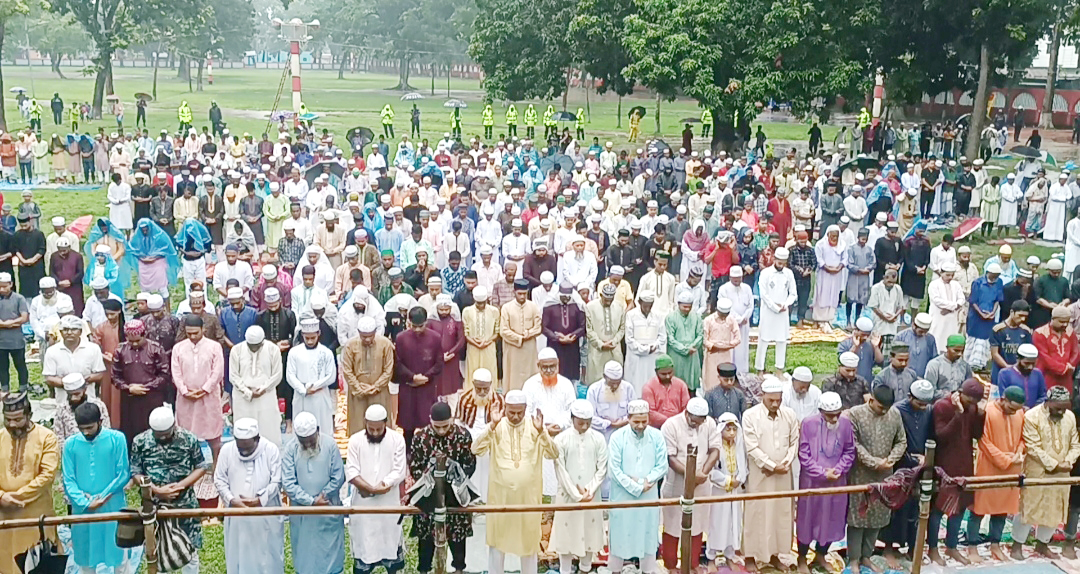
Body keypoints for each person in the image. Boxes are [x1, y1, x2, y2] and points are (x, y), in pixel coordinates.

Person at [472, 389, 558, 574]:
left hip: (528, 499)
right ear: (505, 408)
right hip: (500, 498)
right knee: (497, 543)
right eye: (512, 412)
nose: (516, 416)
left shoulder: (535, 427)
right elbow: (476, 449)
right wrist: (492, 426)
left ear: (526, 409)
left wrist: (542, 432)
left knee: (528, 543)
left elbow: (554, 453)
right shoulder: (497, 426)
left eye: (520, 412)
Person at [1012, 387, 1080, 559]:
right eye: (1058, 407)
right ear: (1047, 402)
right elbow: (1033, 447)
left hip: (1063, 471)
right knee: (1029, 507)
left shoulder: (1069, 416)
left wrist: (1068, 462)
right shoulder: (1032, 417)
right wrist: (1055, 465)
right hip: (1038, 470)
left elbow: (1075, 444)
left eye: (1064, 408)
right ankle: (1017, 545)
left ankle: (1042, 545)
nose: (1061, 411)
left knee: (1055, 509)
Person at [62, 402, 130, 574]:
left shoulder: (117, 439)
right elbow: (68, 479)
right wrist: (84, 502)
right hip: (83, 509)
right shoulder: (70, 445)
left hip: (112, 504)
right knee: (85, 556)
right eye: (81, 428)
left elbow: (123, 473)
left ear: (100, 421)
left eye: (90, 427)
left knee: (118, 553)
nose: (86, 432)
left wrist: (103, 496)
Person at [409, 402, 476, 574]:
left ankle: (458, 569)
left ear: (452, 420)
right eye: (437, 427)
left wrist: (454, 480)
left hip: (454, 494)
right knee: (426, 540)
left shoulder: (462, 436)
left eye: (445, 426)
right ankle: (424, 570)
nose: (441, 431)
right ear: (430, 421)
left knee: (458, 538)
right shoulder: (421, 437)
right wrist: (430, 479)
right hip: (429, 494)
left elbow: (470, 464)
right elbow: (415, 466)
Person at [741, 376, 799, 573]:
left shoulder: (789, 415)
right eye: (770, 400)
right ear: (762, 396)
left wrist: (785, 463)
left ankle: (774, 555)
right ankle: (750, 556)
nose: (775, 404)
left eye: (778, 400)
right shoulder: (750, 416)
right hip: (760, 474)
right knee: (756, 513)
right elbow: (752, 447)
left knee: (780, 514)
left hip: (783, 474)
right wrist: (771, 465)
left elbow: (793, 442)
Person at [215, 418, 285, 574]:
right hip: (237, 516)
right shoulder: (227, 450)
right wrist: (232, 500)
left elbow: (277, 480)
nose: (244, 452)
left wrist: (259, 500)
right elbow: (219, 479)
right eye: (241, 448)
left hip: (265, 515)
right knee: (239, 556)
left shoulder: (270, 450)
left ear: (257, 439)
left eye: (248, 448)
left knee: (268, 559)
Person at [795, 391, 855, 574]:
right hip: (812, 482)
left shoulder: (845, 424)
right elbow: (803, 454)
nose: (835, 418)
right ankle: (802, 558)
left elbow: (849, 450)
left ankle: (821, 555)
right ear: (821, 411)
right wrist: (821, 472)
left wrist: (837, 470)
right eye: (830, 415)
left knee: (832, 518)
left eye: (838, 413)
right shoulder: (808, 423)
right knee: (808, 519)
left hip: (836, 481)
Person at [928, 379, 985, 565]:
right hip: (944, 465)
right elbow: (941, 436)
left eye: (975, 402)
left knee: (959, 509)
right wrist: (959, 414)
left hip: (965, 465)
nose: (971, 405)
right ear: (960, 393)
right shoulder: (942, 406)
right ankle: (933, 548)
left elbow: (976, 435)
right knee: (938, 509)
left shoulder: (973, 408)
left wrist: (980, 415)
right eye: (969, 400)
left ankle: (951, 547)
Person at [0, 392, 59, 574]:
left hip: (35, 513)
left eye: (17, 419)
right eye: (8, 420)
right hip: (4, 516)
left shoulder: (47, 438)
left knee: (35, 564)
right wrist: (2, 497)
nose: (12, 424)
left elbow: (47, 475)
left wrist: (16, 497)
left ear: (29, 415)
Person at [607, 399, 668, 574]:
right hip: (622, 496)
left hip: (648, 495)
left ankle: (647, 570)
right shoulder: (618, 437)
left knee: (647, 534)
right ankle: (616, 571)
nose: (640, 425)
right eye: (636, 421)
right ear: (628, 418)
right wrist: (635, 487)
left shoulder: (656, 436)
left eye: (644, 421)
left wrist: (644, 482)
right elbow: (614, 470)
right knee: (620, 535)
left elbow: (662, 465)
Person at [660, 397, 720, 573]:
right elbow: (670, 457)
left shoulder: (709, 424)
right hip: (676, 484)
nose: (696, 424)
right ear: (686, 413)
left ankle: (693, 564)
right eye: (693, 421)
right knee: (672, 526)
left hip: (701, 483)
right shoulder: (671, 425)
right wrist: (690, 475)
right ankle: (671, 566)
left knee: (697, 525)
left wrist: (703, 473)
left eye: (699, 422)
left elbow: (715, 449)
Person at [345, 404, 407, 574]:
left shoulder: (397, 440)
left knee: (390, 544)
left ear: (386, 424)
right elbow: (351, 470)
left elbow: (399, 470)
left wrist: (382, 487)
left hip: (389, 503)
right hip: (363, 504)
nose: (374, 433)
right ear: (365, 423)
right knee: (365, 545)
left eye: (379, 429)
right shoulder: (355, 440)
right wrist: (366, 487)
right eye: (371, 429)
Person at [282, 412, 346, 574]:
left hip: (328, 507)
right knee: (305, 555)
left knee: (330, 553)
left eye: (311, 440)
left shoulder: (330, 445)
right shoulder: (290, 450)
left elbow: (338, 476)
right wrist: (310, 502)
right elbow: (288, 483)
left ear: (317, 430)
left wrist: (323, 495)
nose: (309, 444)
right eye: (304, 442)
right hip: (302, 513)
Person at [550, 400, 608, 574]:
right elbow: (560, 469)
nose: (584, 426)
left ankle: (585, 569)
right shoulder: (561, 439)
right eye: (580, 422)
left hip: (591, 496)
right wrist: (576, 494)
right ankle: (565, 570)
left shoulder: (598, 438)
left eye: (588, 423)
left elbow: (602, 468)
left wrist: (589, 491)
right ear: (572, 419)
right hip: (567, 497)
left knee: (589, 534)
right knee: (566, 537)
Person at [968, 386, 1026, 563]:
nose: (1014, 412)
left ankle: (995, 545)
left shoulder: (1019, 414)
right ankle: (972, 547)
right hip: (989, 467)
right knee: (979, 508)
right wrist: (1004, 459)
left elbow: (1023, 438)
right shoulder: (987, 412)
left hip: (1012, 468)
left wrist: (1018, 454)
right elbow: (983, 441)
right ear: (1003, 399)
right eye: (1011, 408)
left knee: (1002, 509)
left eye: (1017, 409)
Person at [173, 314, 225, 461]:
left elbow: (218, 371)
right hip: (186, 398)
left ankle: (217, 466)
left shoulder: (214, 347)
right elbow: (176, 373)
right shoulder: (178, 348)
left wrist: (204, 389)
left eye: (196, 333)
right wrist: (184, 391)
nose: (192, 336)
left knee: (213, 435)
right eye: (189, 333)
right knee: (185, 434)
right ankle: (189, 467)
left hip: (208, 397)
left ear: (203, 329)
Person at [110, 319, 169, 444]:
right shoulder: (120, 350)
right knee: (130, 433)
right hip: (129, 399)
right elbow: (115, 377)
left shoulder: (156, 349)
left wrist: (146, 387)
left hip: (152, 398)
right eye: (131, 341)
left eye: (138, 340)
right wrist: (129, 388)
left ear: (144, 335)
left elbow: (165, 375)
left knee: (153, 429)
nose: (135, 344)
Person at [704, 411, 747, 570]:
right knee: (716, 523)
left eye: (734, 429)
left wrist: (739, 479)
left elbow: (743, 466)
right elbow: (711, 470)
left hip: (735, 492)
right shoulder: (715, 447)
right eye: (728, 429)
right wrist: (728, 481)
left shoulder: (738, 445)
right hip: (718, 490)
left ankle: (729, 555)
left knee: (733, 523)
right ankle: (711, 557)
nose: (731, 433)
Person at [394, 307, 444, 441]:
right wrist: (412, 377)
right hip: (408, 386)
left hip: (427, 386)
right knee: (407, 425)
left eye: (420, 326)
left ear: (426, 322)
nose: (417, 330)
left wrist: (426, 377)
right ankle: (408, 455)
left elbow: (439, 362)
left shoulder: (435, 337)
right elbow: (397, 363)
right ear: (409, 323)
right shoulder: (401, 338)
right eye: (414, 326)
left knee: (427, 422)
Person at [229, 325, 284, 447]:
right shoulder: (236, 350)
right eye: (251, 346)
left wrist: (263, 389)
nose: (254, 348)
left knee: (268, 431)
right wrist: (247, 391)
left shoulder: (273, 349)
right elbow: (233, 376)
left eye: (257, 346)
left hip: (266, 396)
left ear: (262, 341)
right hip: (242, 397)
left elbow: (277, 374)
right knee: (244, 431)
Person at [341, 316, 395, 434]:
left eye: (370, 336)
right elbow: (347, 370)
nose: (367, 339)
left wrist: (375, 387)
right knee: (358, 428)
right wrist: (359, 387)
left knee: (381, 425)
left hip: (379, 392)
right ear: (359, 333)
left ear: (375, 332)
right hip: (358, 393)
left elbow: (388, 370)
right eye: (364, 336)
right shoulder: (350, 345)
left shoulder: (385, 344)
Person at [287, 318, 338, 435]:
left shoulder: (326, 353)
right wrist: (303, 389)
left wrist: (314, 386)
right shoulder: (294, 352)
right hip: (301, 396)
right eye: (307, 338)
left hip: (320, 395)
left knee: (322, 429)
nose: (310, 341)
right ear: (302, 335)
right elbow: (290, 375)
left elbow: (331, 376)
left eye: (313, 338)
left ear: (318, 334)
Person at [756, 247, 796, 374]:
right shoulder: (766, 273)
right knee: (764, 340)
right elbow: (763, 294)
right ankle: (760, 369)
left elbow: (793, 294)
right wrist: (775, 307)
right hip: (768, 311)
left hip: (783, 312)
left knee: (781, 340)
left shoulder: (789, 273)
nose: (781, 264)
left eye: (783, 262)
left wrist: (785, 304)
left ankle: (779, 369)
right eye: (779, 261)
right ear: (774, 259)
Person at [502, 278, 543, 390]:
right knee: (513, 377)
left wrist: (529, 334)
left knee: (530, 375)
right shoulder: (506, 308)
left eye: (524, 294)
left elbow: (538, 327)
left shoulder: (533, 307)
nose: (522, 297)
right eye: (519, 294)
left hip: (529, 348)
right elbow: (504, 331)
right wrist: (519, 338)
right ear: (514, 292)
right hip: (513, 348)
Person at [624, 291, 667, 394]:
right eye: (645, 306)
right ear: (639, 302)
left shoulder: (658, 315)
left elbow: (662, 336)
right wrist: (645, 349)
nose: (647, 309)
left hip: (652, 356)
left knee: (651, 385)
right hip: (636, 357)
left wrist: (653, 346)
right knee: (635, 386)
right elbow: (629, 339)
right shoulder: (631, 315)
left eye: (650, 306)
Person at [542, 284, 586, 381]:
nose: (566, 299)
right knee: (555, 371)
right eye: (563, 297)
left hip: (572, 346)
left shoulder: (578, 306)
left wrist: (572, 336)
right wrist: (557, 337)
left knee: (571, 373)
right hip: (555, 345)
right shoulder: (549, 306)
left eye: (568, 297)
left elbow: (583, 327)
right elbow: (544, 327)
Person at [1033, 305, 1080, 394]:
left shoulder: (1070, 332)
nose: (1065, 324)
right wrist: (1062, 368)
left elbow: (1076, 351)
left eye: (1067, 322)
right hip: (1047, 374)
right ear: (1053, 319)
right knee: (1047, 400)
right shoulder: (1040, 333)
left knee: (1066, 401)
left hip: (1067, 375)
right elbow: (1044, 356)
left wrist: (1070, 365)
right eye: (1061, 322)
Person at [462, 286, 500, 391]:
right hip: (473, 347)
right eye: (478, 303)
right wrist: (474, 342)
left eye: (483, 302)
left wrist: (487, 341)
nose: (481, 305)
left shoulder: (494, 311)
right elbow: (466, 332)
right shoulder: (467, 311)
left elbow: (497, 331)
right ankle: (470, 396)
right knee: (473, 371)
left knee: (490, 370)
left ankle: (491, 395)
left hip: (489, 346)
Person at [717, 266, 753, 374]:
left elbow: (750, 305)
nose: (737, 281)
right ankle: (730, 371)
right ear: (730, 277)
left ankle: (742, 372)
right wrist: (738, 319)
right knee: (731, 348)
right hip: (730, 323)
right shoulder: (724, 289)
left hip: (744, 323)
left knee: (743, 348)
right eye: (735, 278)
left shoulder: (747, 288)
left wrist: (745, 317)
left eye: (739, 278)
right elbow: (725, 307)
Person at [665, 290, 703, 393]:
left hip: (692, 354)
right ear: (678, 304)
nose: (687, 309)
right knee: (676, 383)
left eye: (689, 307)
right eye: (684, 307)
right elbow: (670, 338)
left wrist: (693, 346)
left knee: (692, 384)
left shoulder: (696, 317)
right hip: (676, 354)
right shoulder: (671, 317)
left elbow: (700, 335)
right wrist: (684, 349)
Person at [997, 343, 1046, 407]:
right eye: (1026, 363)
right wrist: (1021, 408)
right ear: (1018, 359)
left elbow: (1043, 396)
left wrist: (1033, 410)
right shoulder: (1005, 373)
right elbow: (1004, 398)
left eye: (1033, 364)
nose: (1030, 367)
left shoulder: (1038, 374)